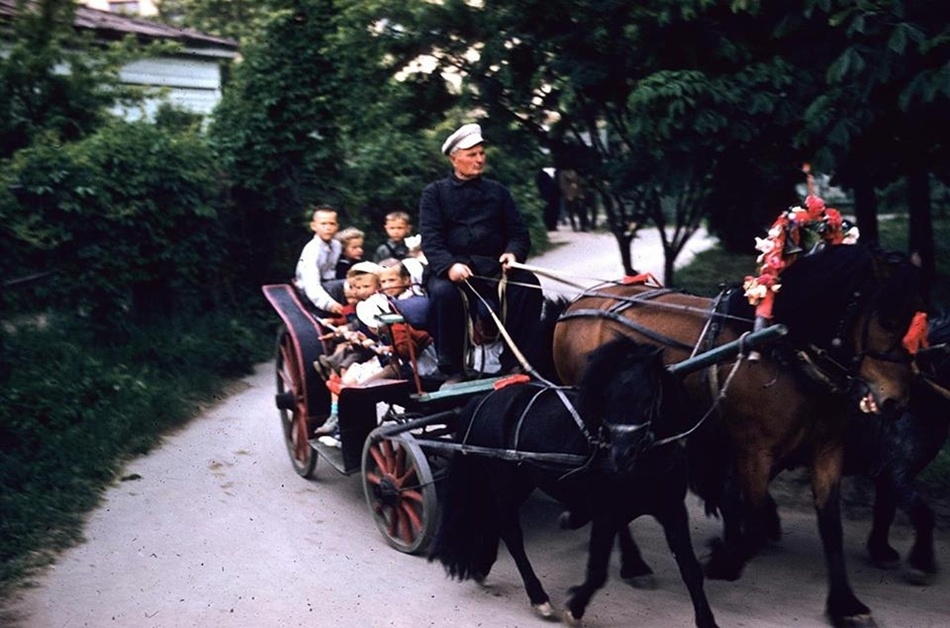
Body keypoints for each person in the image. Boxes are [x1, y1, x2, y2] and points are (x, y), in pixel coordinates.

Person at [418, 122, 543, 385]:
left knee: (528, 285)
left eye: (481, 154)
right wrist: (449, 266)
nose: (479, 160)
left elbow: (518, 233)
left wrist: (512, 253)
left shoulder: (498, 191)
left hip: (493, 268)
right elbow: (431, 239)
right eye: (472, 155)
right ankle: (453, 369)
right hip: (453, 270)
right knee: (443, 293)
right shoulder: (435, 193)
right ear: (454, 158)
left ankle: (516, 362)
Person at [294, 205, 345, 315]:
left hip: (329, 286)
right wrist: (329, 304)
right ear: (314, 226)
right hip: (310, 293)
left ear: (337, 226)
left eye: (332, 224)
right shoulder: (312, 250)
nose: (328, 228)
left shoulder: (337, 246)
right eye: (323, 224)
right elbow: (311, 285)